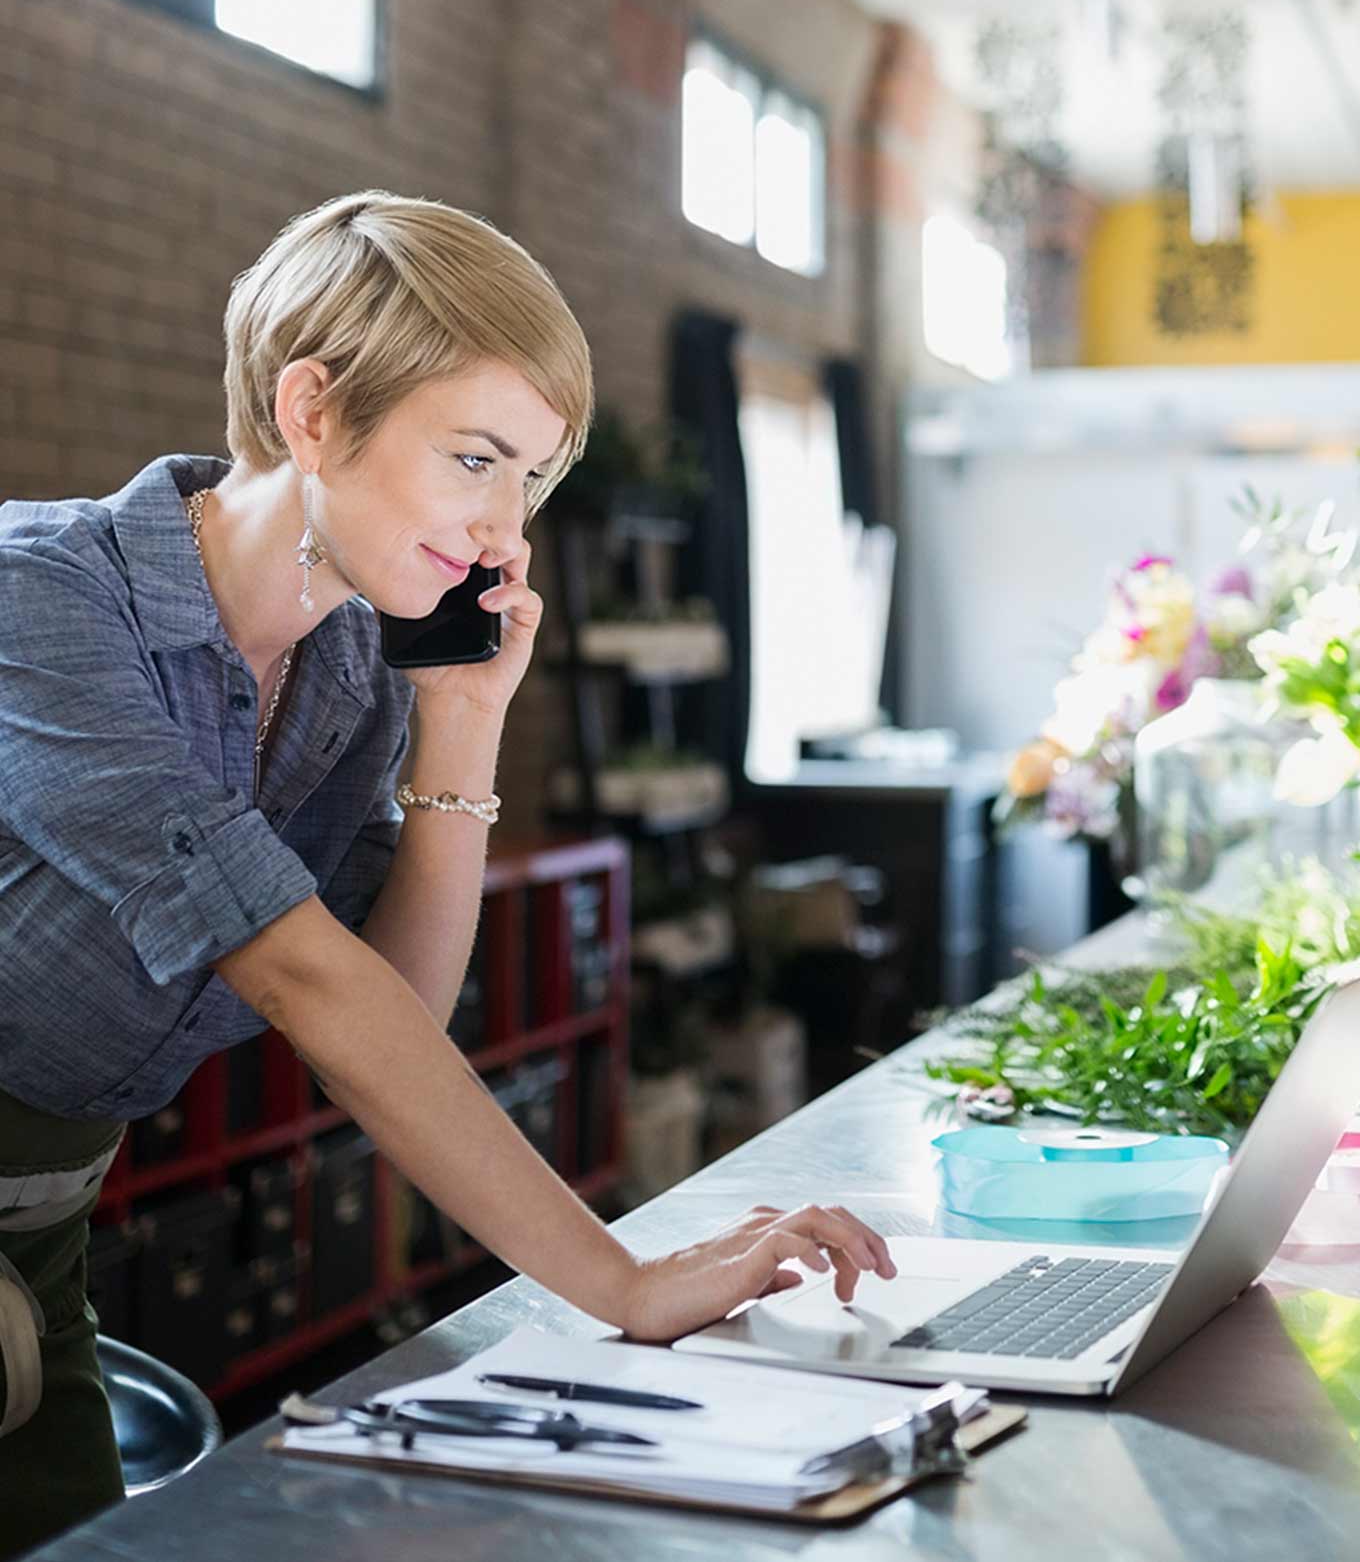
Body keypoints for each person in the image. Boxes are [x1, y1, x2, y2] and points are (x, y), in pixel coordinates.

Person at [0, 190, 895, 1556]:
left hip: (42, 1239)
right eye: (474, 455)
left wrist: (463, 722)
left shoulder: (353, 670)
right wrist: (621, 1274)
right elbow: (302, 976)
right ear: (312, 411)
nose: (504, 525)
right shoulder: (44, 599)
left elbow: (392, 1009)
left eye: (529, 477)